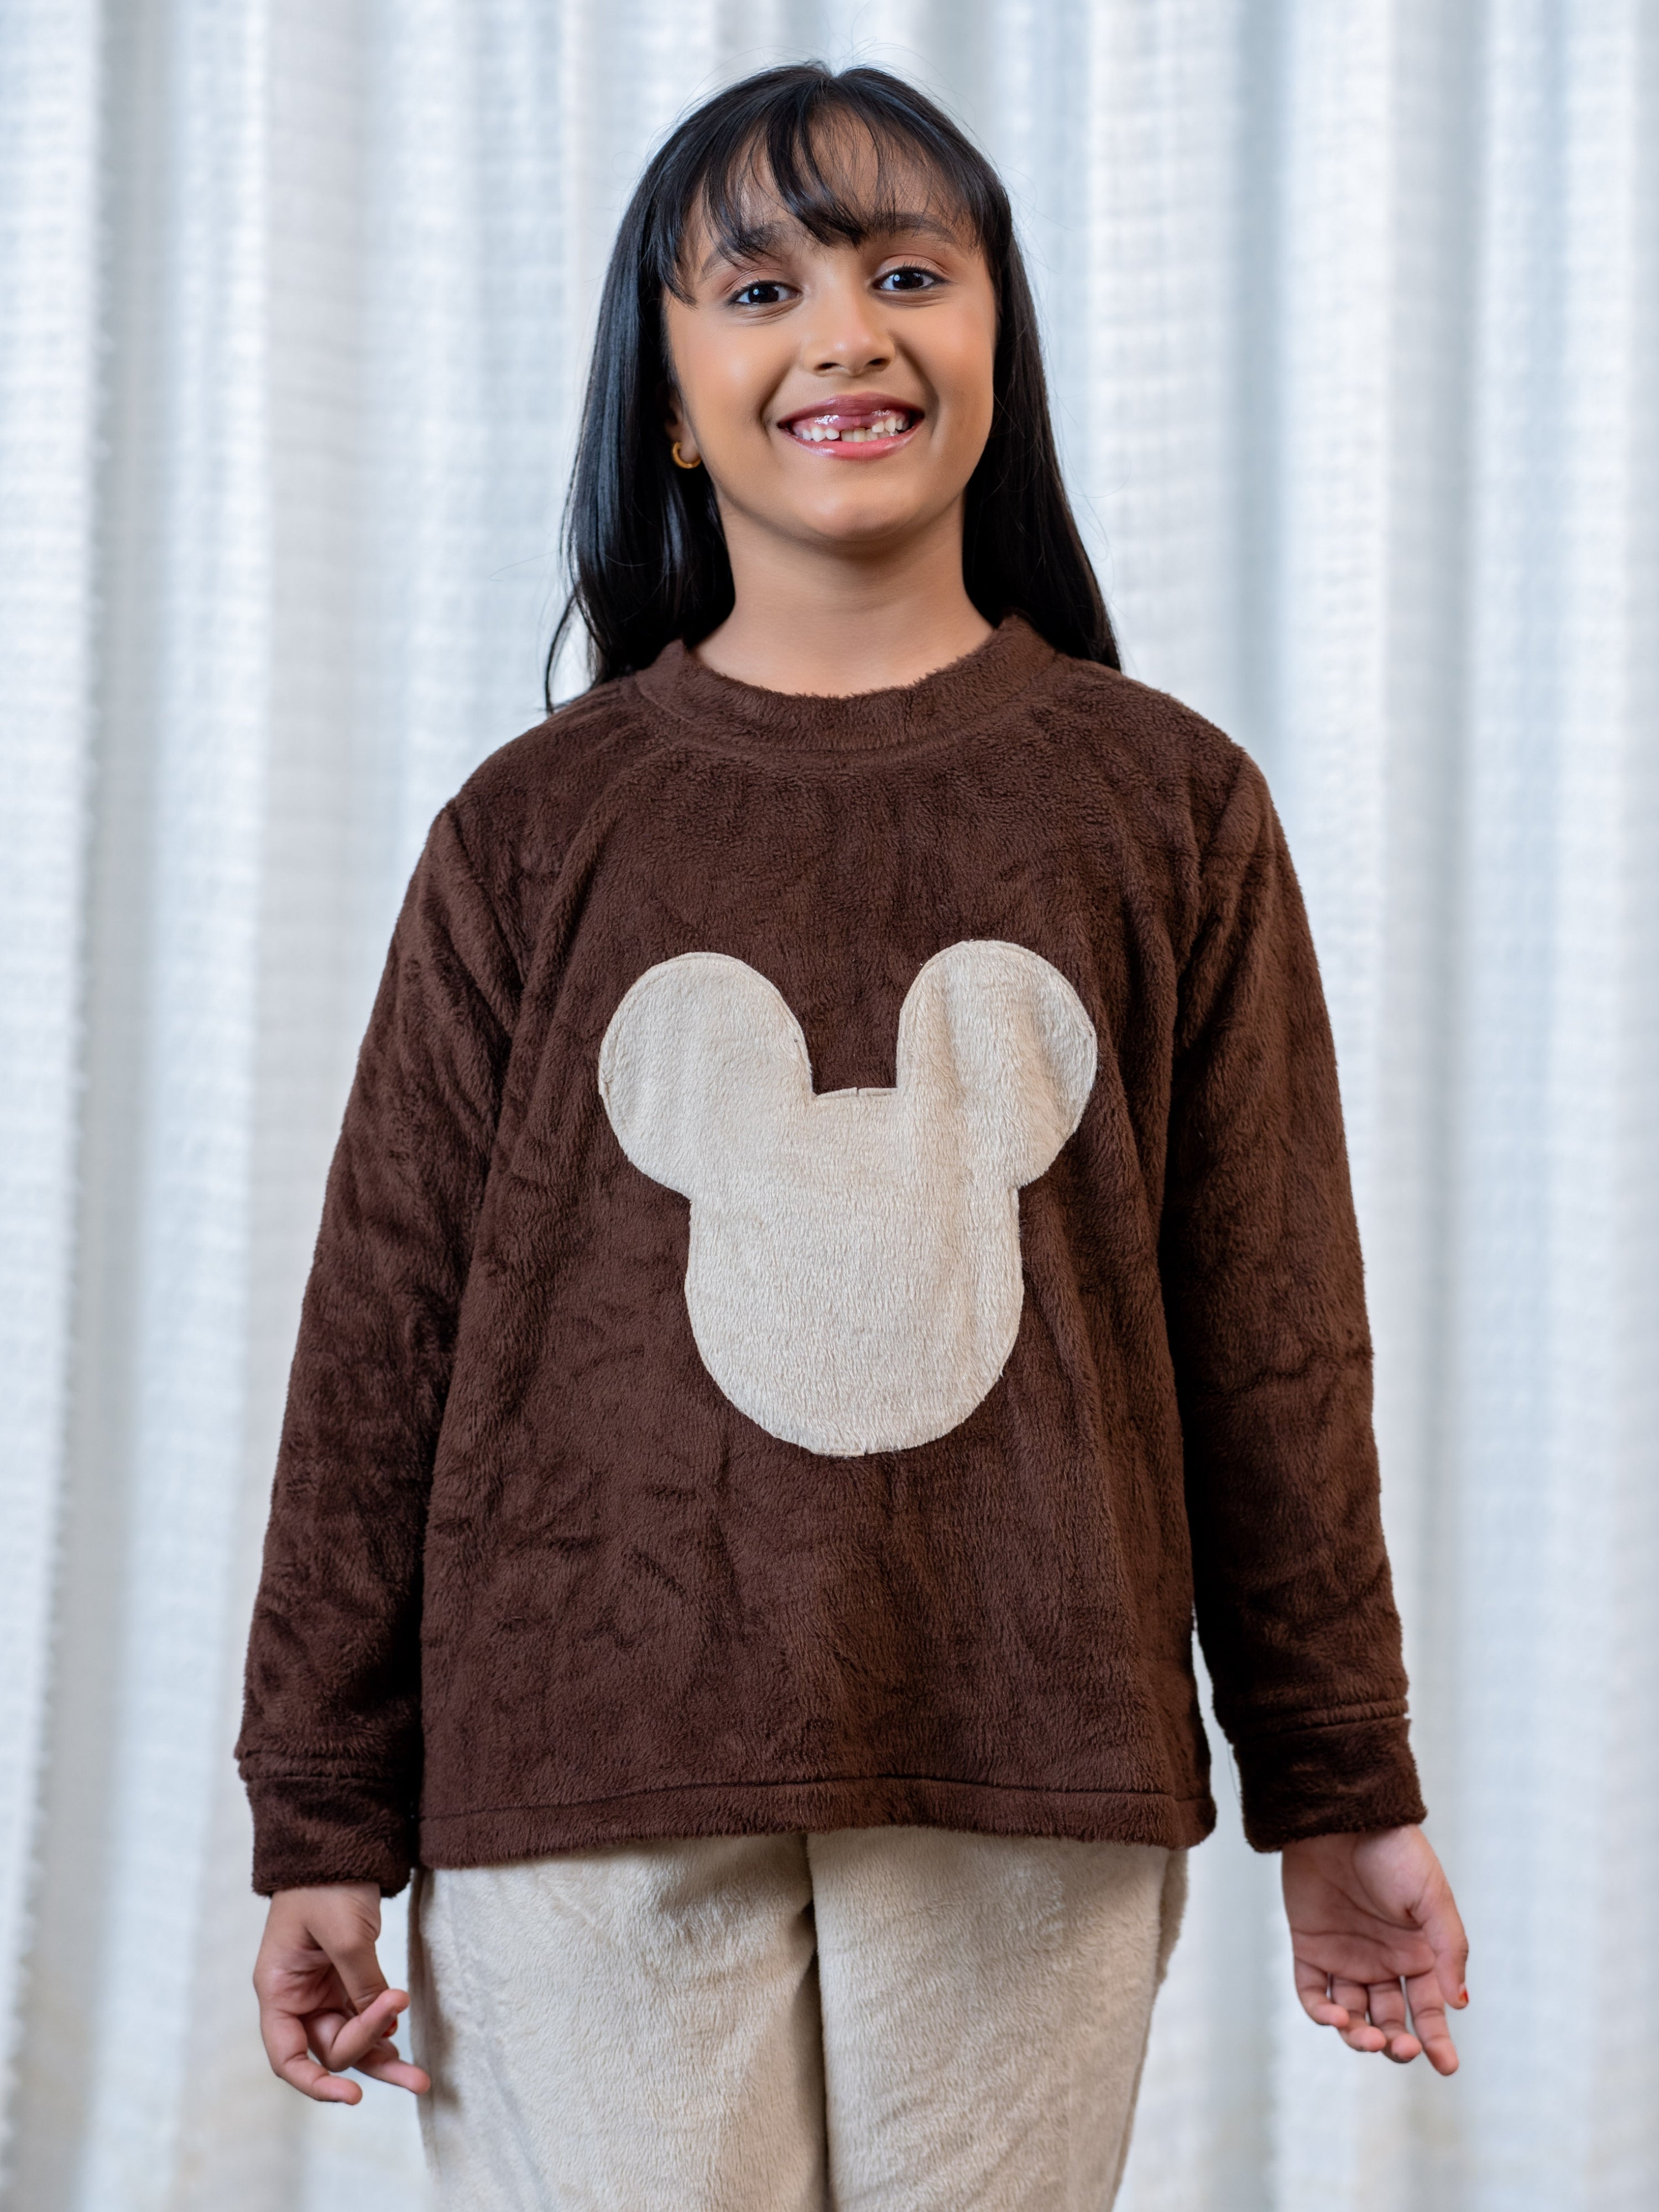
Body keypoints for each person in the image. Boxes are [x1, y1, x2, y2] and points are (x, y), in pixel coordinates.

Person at [239, 61, 1469, 2209]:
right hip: (585, 1774)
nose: (844, 333)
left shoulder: (1168, 807)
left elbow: (1273, 1339)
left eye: (909, 271)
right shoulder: (529, 832)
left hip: (1031, 1760)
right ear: (666, 391)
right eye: (759, 286)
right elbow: (383, 1336)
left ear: (1001, 334)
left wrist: (1341, 1779)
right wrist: (321, 1810)